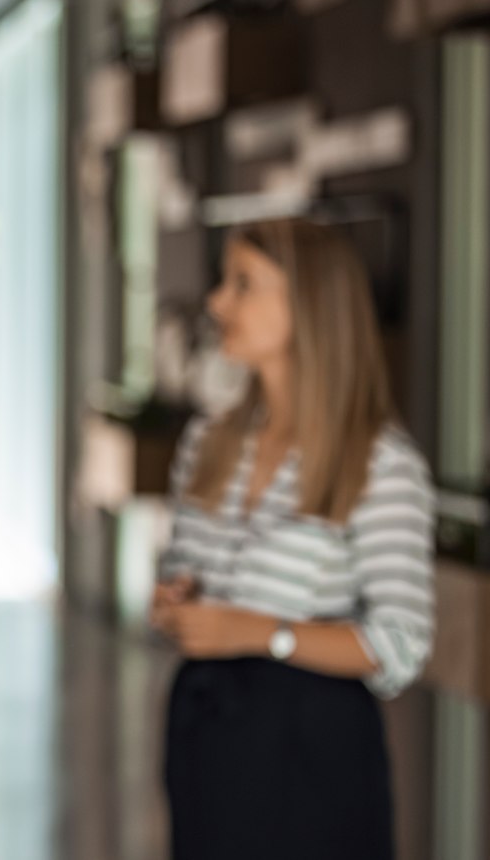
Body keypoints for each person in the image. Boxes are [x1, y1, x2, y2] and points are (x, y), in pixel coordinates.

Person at [151, 218, 434, 860]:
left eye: (243, 284)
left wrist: (258, 633)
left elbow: (402, 642)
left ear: (307, 306)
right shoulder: (208, 443)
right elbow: (185, 576)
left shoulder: (381, 465)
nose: (217, 302)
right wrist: (174, 604)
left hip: (313, 755)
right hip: (204, 730)